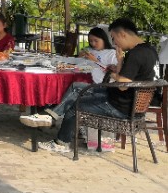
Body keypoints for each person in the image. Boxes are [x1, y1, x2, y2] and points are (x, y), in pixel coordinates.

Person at [27, 18, 158, 153]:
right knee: (77, 86)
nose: (114, 42)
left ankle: (61, 143)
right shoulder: (150, 50)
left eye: (114, 38)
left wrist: (112, 74)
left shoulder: (136, 54)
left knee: (75, 105)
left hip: (120, 106)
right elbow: (129, 79)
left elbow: (123, 85)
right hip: (128, 102)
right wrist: (119, 61)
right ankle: (52, 115)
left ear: (122, 34)